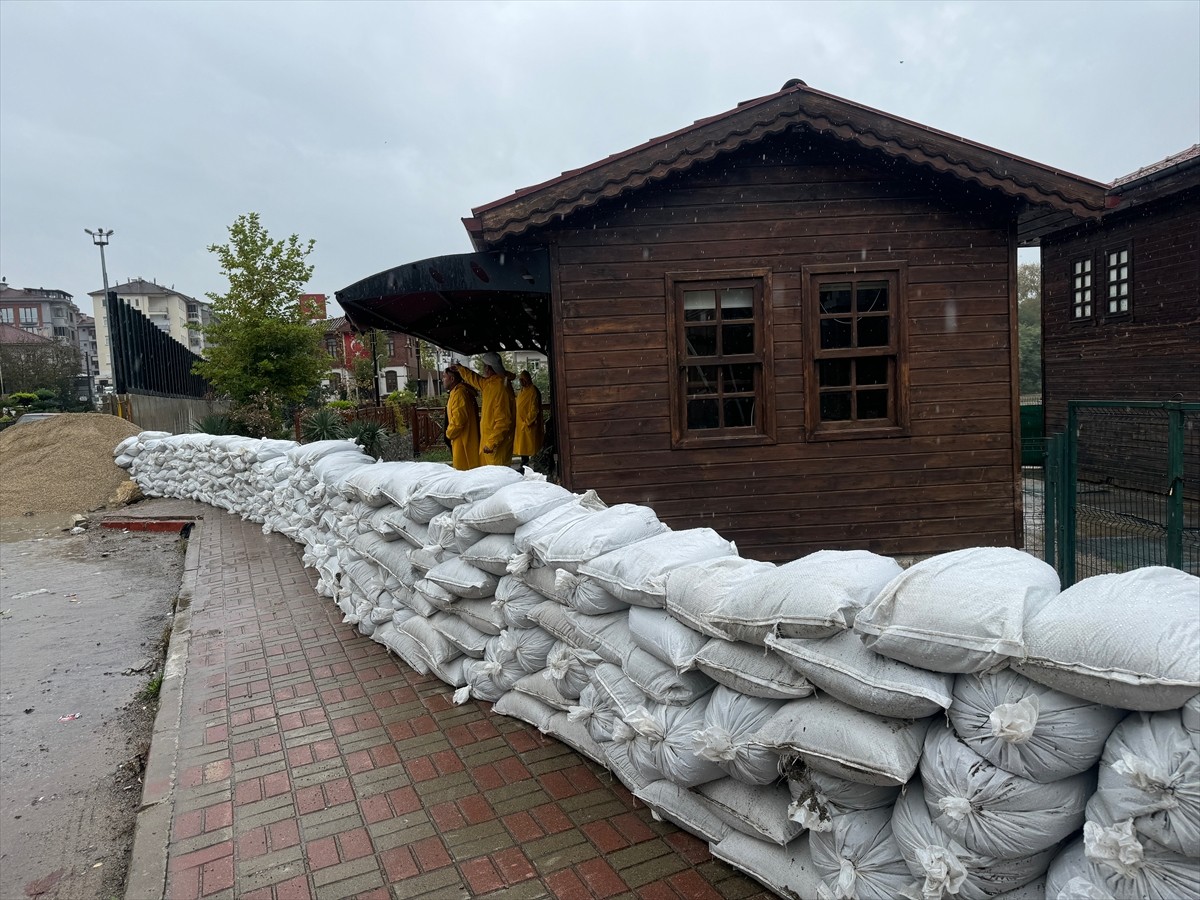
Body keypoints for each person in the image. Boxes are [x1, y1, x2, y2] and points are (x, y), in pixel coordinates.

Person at [453, 352, 515, 467]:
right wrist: (460, 369)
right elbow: (475, 379)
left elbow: (504, 421)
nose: (483, 369)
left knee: (496, 480)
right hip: (490, 444)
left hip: (496, 447)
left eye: (484, 366)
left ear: (489, 368)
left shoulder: (499, 388)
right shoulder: (490, 383)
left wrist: (492, 443)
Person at [442, 367, 480, 471]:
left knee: (464, 472)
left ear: (452, 379)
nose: (442, 379)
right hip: (462, 441)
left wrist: (449, 434)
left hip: (463, 443)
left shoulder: (459, 394)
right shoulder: (457, 392)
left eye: (444, 376)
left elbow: (458, 421)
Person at [513, 370, 545, 467]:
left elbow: (534, 409)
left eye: (523, 379)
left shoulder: (533, 391)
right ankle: (524, 466)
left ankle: (535, 466)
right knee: (523, 448)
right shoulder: (522, 391)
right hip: (520, 424)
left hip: (528, 425)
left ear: (528, 379)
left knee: (531, 447)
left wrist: (527, 422)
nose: (521, 382)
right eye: (520, 380)